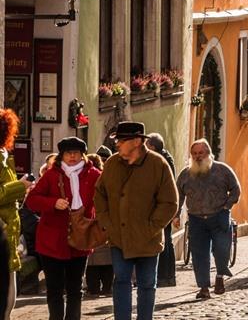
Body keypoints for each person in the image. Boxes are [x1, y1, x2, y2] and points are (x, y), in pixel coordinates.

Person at [94, 121, 178, 320]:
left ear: (136, 142)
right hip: (119, 237)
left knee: (147, 285)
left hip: (148, 239)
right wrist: (107, 222)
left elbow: (169, 202)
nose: (117, 144)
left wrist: (151, 227)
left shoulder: (158, 164)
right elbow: (99, 194)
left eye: (121, 141)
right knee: (121, 282)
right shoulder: (113, 163)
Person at [26, 137, 101, 320]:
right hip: (52, 241)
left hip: (80, 239)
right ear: (62, 155)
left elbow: (104, 199)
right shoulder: (51, 175)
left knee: (75, 288)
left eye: (76, 152)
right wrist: (52, 203)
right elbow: (31, 200)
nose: (72, 156)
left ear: (82, 154)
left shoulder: (94, 175)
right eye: (68, 153)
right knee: (55, 289)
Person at [174, 139, 240, 299]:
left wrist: (226, 207)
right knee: (199, 254)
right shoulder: (185, 174)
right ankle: (204, 287)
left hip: (219, 216)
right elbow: (178, 195)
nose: (197, 157)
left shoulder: (222, 170)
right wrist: (176, 215)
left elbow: (236, 189)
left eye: (200, 153)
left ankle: (219, 276)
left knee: (222, 250)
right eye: (194, 153)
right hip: (196, 219)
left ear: (208, 153)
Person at [0, 109, 33, 318]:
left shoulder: (4, 156)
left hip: (7, 231)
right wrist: (20, 186)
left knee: (10, 291)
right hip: (2, 230)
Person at [145, 132, 177, 288]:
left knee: (164, 241)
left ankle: (165, 276)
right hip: (163, 206)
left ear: (152, 146)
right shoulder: (166, 158)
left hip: (160, 207)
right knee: (167, 241)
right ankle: (168, 276)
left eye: (146, 145)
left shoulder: (160, 161)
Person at [85, 147, 113, 297]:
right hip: (103, 220)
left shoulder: (87, 178)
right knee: (106, 258)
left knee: (92, 259)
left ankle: (93, 288)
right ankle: (107, 287)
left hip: (90, 219)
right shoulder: (107, 178)